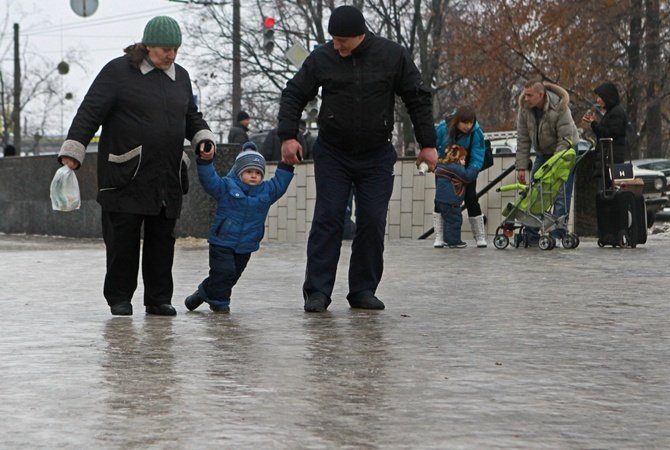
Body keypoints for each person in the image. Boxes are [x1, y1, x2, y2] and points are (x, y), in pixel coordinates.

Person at [277, 5, 438, 313]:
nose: (336, 46)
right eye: (333, 40)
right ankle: (317, 292)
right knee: (329, 218)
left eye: (342, 41)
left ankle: (363, 289)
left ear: (359, 35)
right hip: (333, 153)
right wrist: (288, 135)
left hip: (377, 156)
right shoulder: (323, 57)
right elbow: (294, 93)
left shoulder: (392, 56)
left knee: (373, 220)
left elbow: (417, 97)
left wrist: (427, 144)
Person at [58, 16, 216, 316]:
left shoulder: (180, 76)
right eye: (164, 49)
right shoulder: (118, 72)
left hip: (166, 175)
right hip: (126, 173)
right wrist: (73, 150)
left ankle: (158, 299)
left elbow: (191, 116)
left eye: (175, 50)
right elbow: (90, 111)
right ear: (147, 46)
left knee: (162, 242)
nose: (170, 55)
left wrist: (202, 138)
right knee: (123, 242)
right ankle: (119, 298)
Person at [184, 142, 294, 313]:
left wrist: (287, 165)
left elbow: (280, 183)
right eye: (249, 172)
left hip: (246, 245)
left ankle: (202, 294)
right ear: (239, 172)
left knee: (231, 276)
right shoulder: (227, 187)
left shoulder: (266, 192)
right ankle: (220, 304)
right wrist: (205, 162)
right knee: (224, 272)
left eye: (258, 173)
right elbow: (209, 180)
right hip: (222, 241)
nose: (253, 176)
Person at [516, 80, 580, 242]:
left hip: (565, 151)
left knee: (560, 191)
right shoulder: (525, 110)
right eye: (525, 95)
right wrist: (521, 167)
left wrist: (554, 165)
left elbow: (565, 139)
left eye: (529, 95)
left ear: (541, 95)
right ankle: (531, 231)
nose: (526, 99)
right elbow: (523, 139)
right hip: (543, 152)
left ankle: (559, 232)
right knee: (535, 191)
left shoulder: (559, 107)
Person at [434, 106, 488, 248]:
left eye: (471, 122)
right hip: (444, 170)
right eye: (465, 123)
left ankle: (479, 236)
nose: (468, 126)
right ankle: (439, 236)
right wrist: (436, 165)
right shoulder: (442, 129)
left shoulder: (476, 133)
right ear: (457, 121)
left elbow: (478, 153)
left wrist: (473, 170)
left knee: (471, 198)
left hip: (466, 171)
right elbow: (434, 147)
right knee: (440, 199)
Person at [434, 144, 479, 248]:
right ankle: (453, 242)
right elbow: (467, 177)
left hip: (440, 200)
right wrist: (474, 168)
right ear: (456, 158)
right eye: (462, 159)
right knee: (455, 220)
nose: (464, 162)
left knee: (448, 220)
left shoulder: (441, 167)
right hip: (452, 201)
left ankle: (447, 240)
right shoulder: (456, 168)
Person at [582, 81, 628, 166]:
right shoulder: (612, 112)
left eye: (600, 97)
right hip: (608, 157)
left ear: (607, 97)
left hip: (610, 159)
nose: (598, 100)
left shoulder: (616, 113)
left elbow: (608, 134)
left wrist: (594, 124)